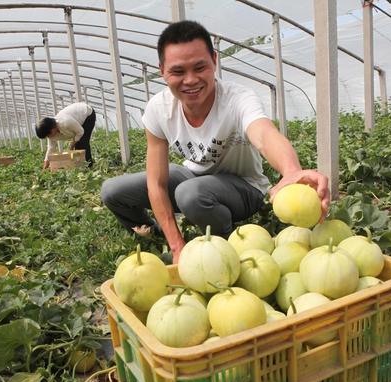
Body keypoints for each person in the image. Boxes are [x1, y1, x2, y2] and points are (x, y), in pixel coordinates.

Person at [100, 20, 330, 263]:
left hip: (243, 188)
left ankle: (226, 247)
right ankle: (153, 232)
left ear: (214, 61)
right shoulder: (159, 109)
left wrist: (291, 171)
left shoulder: (238, 99)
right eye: (178, 71)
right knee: (113, 191)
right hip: (194, 180)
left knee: (189, 194)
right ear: (162, 70)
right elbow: (156, 183)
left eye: (200, 68)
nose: (190, 80)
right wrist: (176, 245)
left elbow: (264, 134)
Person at [35, 102, 96, 169]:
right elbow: (50, 148)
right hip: (76, 122)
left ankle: (88, 167)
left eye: (48, 134)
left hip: (87, 113)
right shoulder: (51, 134)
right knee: (78, 145)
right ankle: (80, 166)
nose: (48, 137)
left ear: (52, 128)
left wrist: (73, 143)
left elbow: (80, 132)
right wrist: (44, 168)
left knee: (82, 143)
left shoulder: (65, 122)